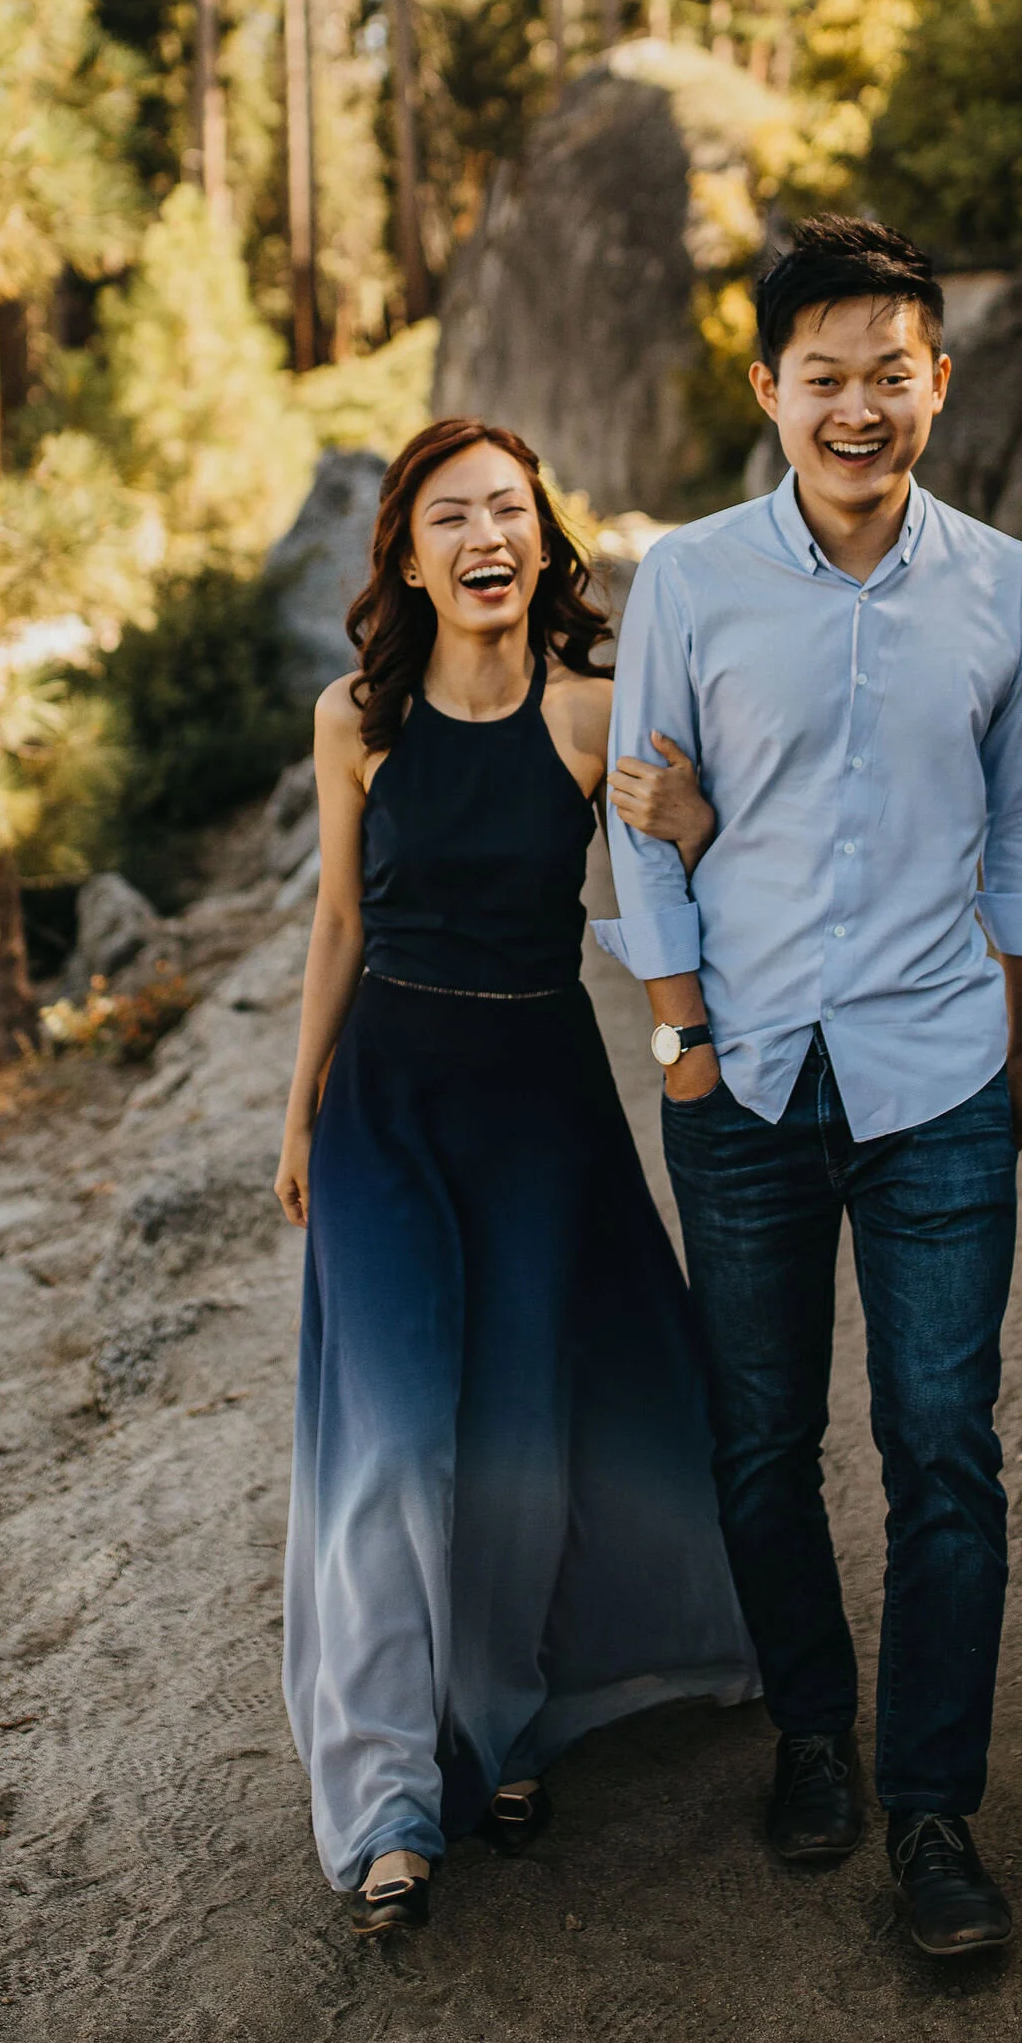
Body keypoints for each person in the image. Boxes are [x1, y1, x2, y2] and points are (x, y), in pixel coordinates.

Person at [599, 214, 1022, 1960]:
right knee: (762, 1440)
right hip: (739, 1079)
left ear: (936, 384)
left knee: (945, 1448)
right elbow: (641, 832)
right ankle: (815, 1726)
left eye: (892, 375)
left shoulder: (1003, 585)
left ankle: (934, 1809)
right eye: (826, 379)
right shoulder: (695, 584)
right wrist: (682, 1041)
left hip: (940, 1069)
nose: (858, 408)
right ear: (770, 391)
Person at [274, 415, 758, 1937]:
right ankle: (390, 1803)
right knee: (394, 1449)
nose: (485, 537)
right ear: (407, 557)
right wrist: (299, 1114)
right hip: (389, 1111)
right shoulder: (355, 718)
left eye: (508, 511)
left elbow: (711, 864)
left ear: (542, 541)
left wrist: (694, 816)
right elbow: (341, 924)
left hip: (545, 1104)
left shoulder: (592, 714)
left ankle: (509, 1727)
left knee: (520, 1442)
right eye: (449, 517)